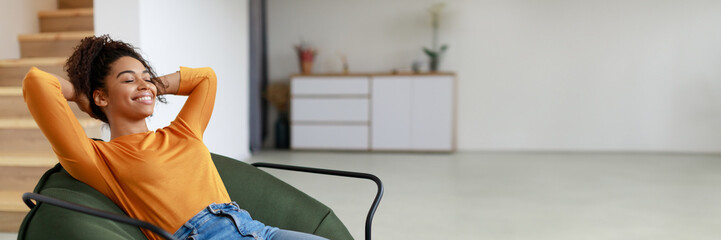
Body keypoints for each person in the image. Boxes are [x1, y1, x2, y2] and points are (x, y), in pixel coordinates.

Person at [22, 35, 327, 240]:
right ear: (101, 96)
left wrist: (153, 85)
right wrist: (84, 96)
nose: (144, 84)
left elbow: (206, 77)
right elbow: (37, 82)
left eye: (147, 76)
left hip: (257, 229)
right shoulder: (98, 160)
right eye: (128, 79)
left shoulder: (182, 132)